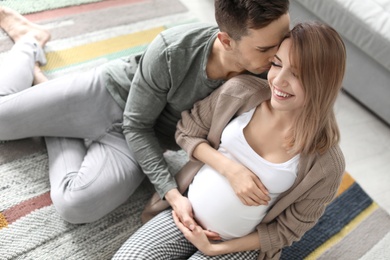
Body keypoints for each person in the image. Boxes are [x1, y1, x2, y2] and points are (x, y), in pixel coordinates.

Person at [0, 1, 290, 224]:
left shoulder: (271, 77)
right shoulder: (172, 49)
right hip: (108, 94)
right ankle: (29, 41)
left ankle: (55, 119)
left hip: (139, 140)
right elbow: (135, 122)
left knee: (75, 206)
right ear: (226, 40)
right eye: (266, 48)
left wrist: (170, 191)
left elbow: (143, 132)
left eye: (283, 38)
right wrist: (173, 194)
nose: (279, 54)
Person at [112, 21, 347, 260]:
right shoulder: (239, 92)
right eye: (277, 63)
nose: (278, 80)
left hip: (237, 246)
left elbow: (287, 230)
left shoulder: (327, 164)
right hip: (185, 214)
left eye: (296, 74)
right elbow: (187, 131)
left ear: (323, 83)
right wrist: (230, 169)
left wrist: (214, 249)